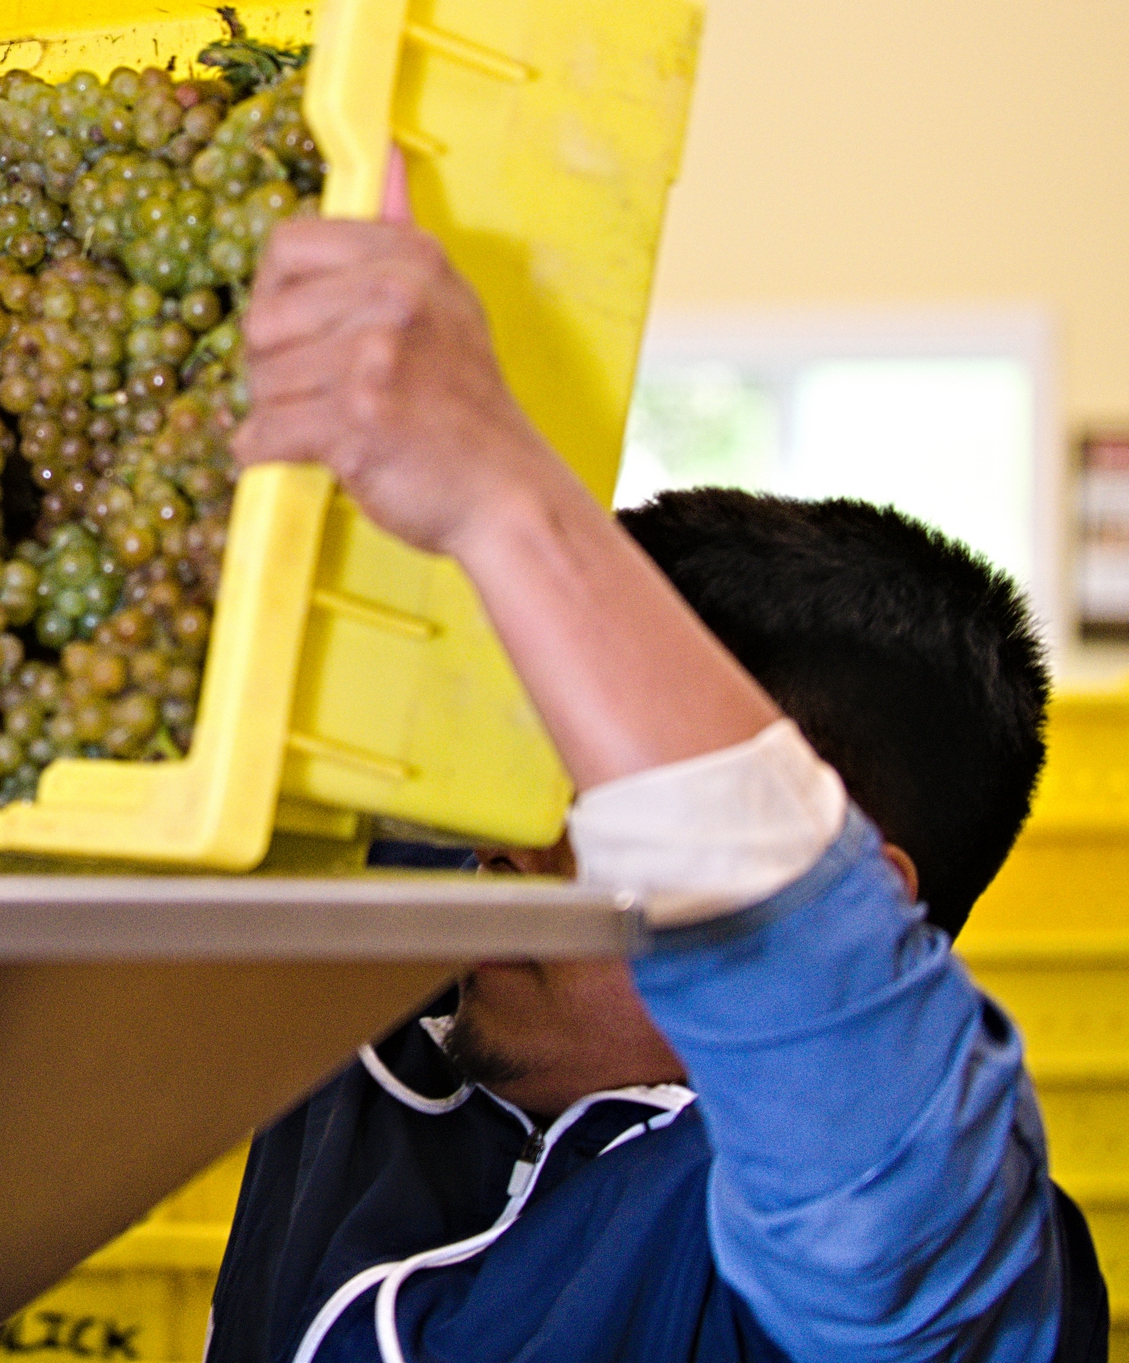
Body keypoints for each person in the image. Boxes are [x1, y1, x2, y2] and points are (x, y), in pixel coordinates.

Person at [208, 161, 1111, 1363]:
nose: (502, 841)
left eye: (589, 812)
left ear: (866, 898)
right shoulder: (419, 988)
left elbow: (815, 986)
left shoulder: (895, 1261)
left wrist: (494, 486)